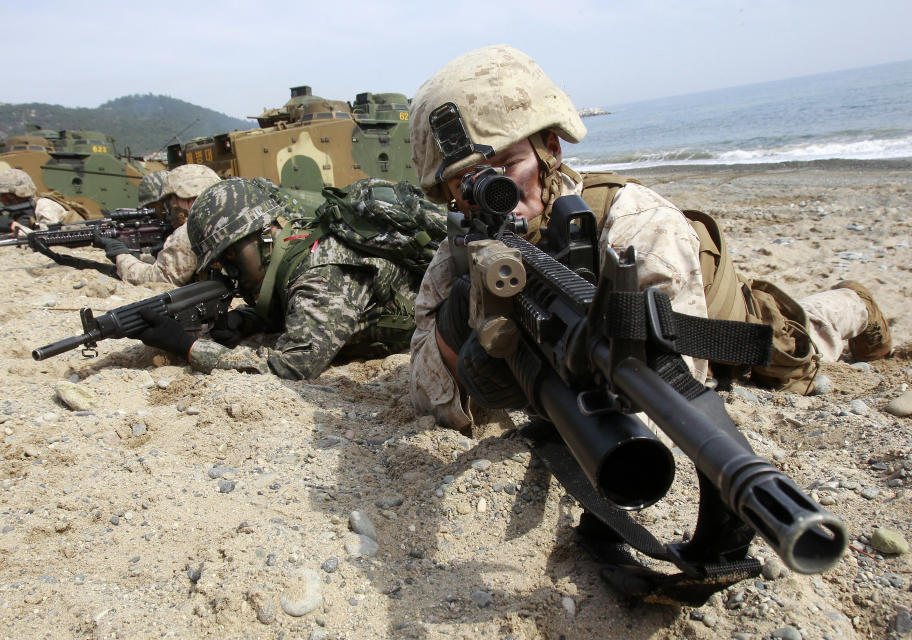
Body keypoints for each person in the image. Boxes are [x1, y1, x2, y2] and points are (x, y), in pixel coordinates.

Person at [407, 45, 892, 431]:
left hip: (722, 331)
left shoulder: (637, 224)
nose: (493, 195)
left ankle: (856, 304)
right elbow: (423, 388)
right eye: (466, 183)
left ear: (550, 148)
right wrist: (458, 324)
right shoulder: (467, 249)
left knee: (794, 340)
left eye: (507, 167)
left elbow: (672, 393)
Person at [135, 178, 421, 380]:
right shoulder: (295, 246)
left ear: (264, 235)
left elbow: (295, 366)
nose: (230, 273)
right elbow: (292, 304)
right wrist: (246, 319)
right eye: (223, 264)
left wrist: (192, 349)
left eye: (232, 257)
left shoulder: (319, 273)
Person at [94, 164, 219, 286]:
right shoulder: (223, 216)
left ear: (188, 199)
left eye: (172, 201)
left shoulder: (191, 230)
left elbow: (159, 279)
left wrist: (120, 255)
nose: (171, 209)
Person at [0, 168, 81, 231]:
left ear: (20, 193)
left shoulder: (44, 206)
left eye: (6, 195)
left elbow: (51, 236)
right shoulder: (21, 211)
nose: (1, 199)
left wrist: (15, 227)